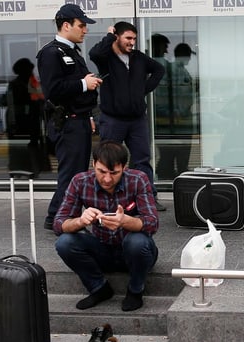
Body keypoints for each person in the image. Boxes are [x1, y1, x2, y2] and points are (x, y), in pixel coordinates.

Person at [54, 140, 159, 311]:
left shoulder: (138, 179)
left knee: (137, 242)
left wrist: (125, 221)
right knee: (64, 242)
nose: (107, 179)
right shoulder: (80, 181)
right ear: (93, 164)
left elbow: (152, 222)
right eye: (101, 171)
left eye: (114, 173)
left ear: (124, 167)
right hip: (101, 248)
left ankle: (135, 290)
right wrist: (80, 220)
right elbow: (59, 224)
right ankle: (98, 288)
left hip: (135, 251)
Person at [36, 4, 102, 231]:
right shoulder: (51, 53)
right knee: (71, 175)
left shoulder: (71, 51)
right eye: (81, 25)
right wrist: (85, 84)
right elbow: (53, 90)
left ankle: (58, 215)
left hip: (79, 119)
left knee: (78, 173)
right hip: (67, 122)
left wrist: (88, 115)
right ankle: (60, 220)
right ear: (66, 25)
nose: (85, 30)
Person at [89, 21, 167, 211]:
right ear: (117, 36)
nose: (132, 42)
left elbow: (159, 70)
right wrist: (109, 36)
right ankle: (106, 200)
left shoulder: (138, 58)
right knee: (108, 160)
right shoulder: (106, 58)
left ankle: (148, 199)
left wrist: (143, 89)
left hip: (137, 120)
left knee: (142, 160)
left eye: (134, 39)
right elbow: (95, 53)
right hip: (112, 119)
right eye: (128, 38)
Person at [156, 42, 196, 178]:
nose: (190, 59)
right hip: (177, 118)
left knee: (174, 151)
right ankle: (174, 173)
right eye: (189, 56)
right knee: (175, 151)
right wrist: (177, 112)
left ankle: (174, 172)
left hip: (177, 117)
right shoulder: (176, 70)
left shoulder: (179, 70)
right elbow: (177, 94)